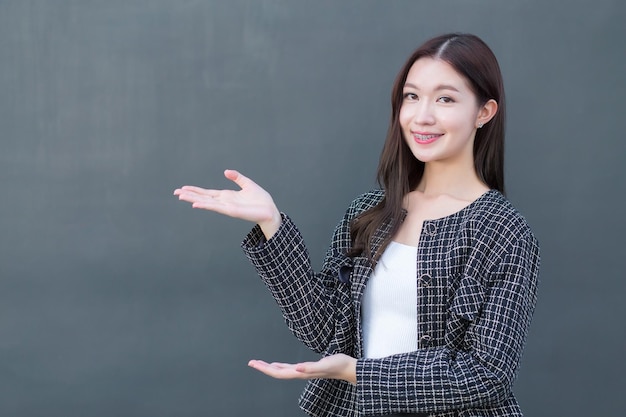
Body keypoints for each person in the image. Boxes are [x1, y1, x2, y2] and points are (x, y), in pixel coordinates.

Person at [174, 33, 540, 417]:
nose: (422, 115)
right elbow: (324, 329)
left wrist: (359, 374)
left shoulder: (503, 230)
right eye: (411, 96)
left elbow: (487, 373)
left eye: (445, 99)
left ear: (484, 112)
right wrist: (271, 223)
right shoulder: (369, 212)